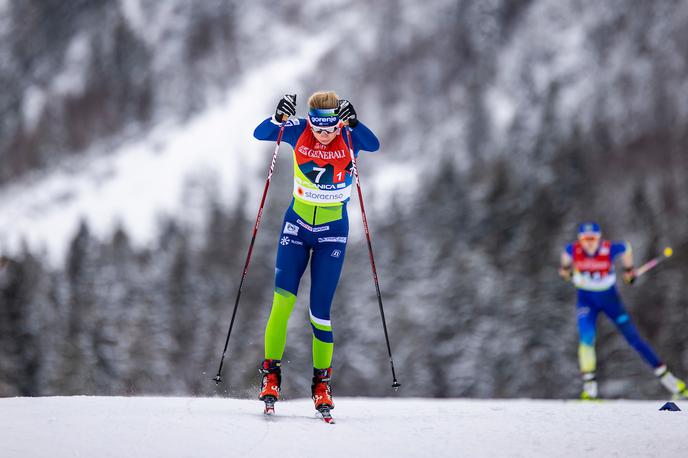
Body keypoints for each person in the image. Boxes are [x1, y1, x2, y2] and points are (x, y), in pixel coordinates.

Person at [252, 92, 380, 413]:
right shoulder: (299, 130)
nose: (324, 136)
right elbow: (260, 133)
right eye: (318, 129)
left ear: (339, 122)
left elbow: (374, 143)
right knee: (282, 304)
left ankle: (321, 383)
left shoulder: (349, 135)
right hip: (295, 228)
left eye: (330, 129)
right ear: (310, 121)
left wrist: (354, 122)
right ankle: (271, 376)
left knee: (319, 312)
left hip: (332, 234)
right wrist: (277, 118)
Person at [559, 222, 687, 400]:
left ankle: (673, 383)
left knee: (633, 339)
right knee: (586, 338)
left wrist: (629, 270)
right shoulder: (574, 250)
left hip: (610, 300)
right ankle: (590, 391)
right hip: (586, 301)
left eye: (592, 239)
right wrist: (566, 270)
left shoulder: (608, 249)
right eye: (585, 239)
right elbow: (565, 256)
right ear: (580, 240)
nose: (589, 243)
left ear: (599, 238)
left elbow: (626, 248)